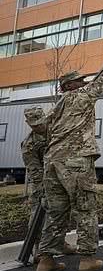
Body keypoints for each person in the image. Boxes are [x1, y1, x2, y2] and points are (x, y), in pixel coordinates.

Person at [36, 49, 103, 271]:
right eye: (79, 81)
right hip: (76, 162)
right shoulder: (82, 95)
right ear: (71, 86)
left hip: (53, 162)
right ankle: (87, 259)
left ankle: (45, 261)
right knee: (85, 209)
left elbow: (43, 130)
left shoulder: (56, 107)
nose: (83, 83)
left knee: (56, 212)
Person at [21, 107, 75, 261]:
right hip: (43, 180)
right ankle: (39, 249)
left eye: (40, 123)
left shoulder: (56, 130)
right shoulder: (28, 146)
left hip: (62, 174)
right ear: (28, 124)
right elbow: (35, 172)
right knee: (38, 211)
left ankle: (60, 242)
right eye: (35, 125)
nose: (39, 127)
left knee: (63, 210)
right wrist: (45, 188)